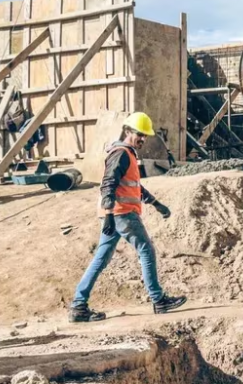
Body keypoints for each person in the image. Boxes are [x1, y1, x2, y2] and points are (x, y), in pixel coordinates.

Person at [69, 112, 187, 322]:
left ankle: (78, 306)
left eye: (145, 135)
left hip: (116, 214)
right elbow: (108, 184)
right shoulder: (121, 154)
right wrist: (108, 213)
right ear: (127, 131)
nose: (142, 139)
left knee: (101, 258)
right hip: (121, 213)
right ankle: (158, 299)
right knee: (146, 250)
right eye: (139, 134)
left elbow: (134, 187)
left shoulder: (128, 154)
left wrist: (156, 204)